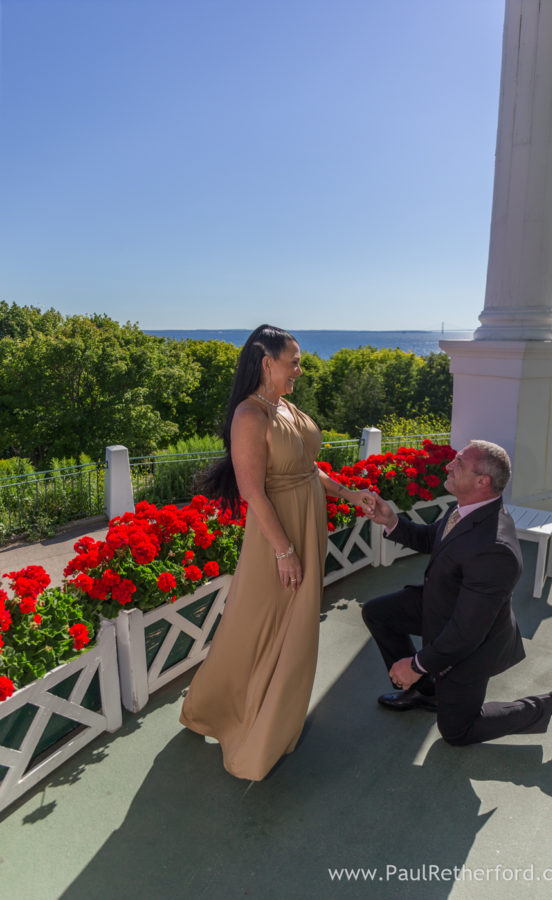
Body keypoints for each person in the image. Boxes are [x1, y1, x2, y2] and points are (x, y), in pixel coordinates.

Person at [180, 324, 373, 780]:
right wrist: (284, 551)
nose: (300, 371)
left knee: (289, 628)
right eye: (294, 362)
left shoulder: (283, 406)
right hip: (277, 536)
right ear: (267, 363)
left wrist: (350, 493)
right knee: (259, 625)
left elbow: (309, 470)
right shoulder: (250, 415)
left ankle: (250, 716)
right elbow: (251, 491)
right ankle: (245, 732)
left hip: (306, 526)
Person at [361, 439, 552, 747]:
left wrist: (414, 665)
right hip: (445, 606)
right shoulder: (468, 509)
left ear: (483, 481)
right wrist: (391, 521)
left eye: (458, 463)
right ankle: (427, 692)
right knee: (379, 613)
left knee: (458, 731)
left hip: (472, 643)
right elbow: (434, 538)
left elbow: (465, 633)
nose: (448, 466)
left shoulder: (494, 548)